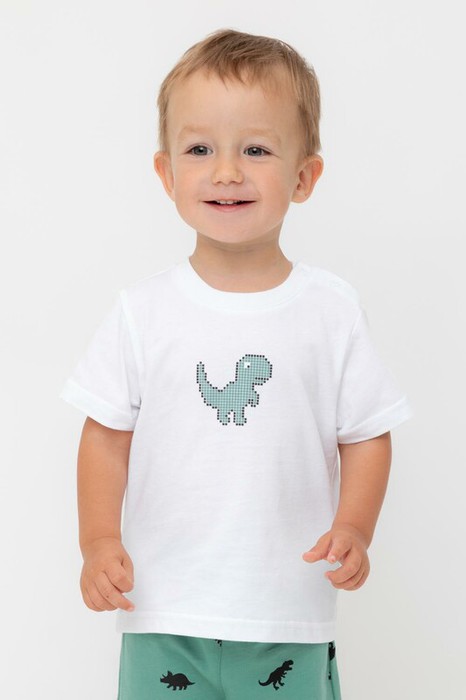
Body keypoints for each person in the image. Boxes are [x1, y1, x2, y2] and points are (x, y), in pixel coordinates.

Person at [60, 28, 412, 700]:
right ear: (167, 174)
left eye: (255, 149)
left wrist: (356, 527)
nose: (226, 171)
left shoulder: (330, 311)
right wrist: (98, 540)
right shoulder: (141, 312)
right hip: (163, 609)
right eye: (200, 149)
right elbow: (105, 437)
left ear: (304, 177)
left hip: (286, 613)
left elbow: (367, 433)